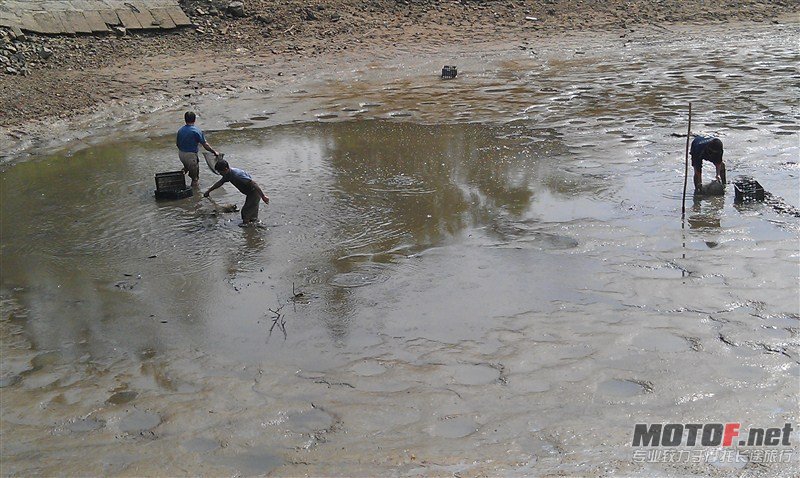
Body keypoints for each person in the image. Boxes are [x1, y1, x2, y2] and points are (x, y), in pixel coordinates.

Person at [204, 159, 269, 225]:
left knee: (245, 212)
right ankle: (253, 228)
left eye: (220, 172)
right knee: (252, 215)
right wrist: (209, 191)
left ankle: (247, 230)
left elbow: (253, 183)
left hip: (254, 192)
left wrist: (263, 196)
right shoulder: (227, 174)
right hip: (250, 193)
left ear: (226, 169)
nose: (220, 173)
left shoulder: (237, 175)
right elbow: (220, 183)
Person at [176, 111, 218, 188]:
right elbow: (205, 145)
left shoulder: (180, 130)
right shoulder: (196, 131)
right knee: (195, 179)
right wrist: (214, 151)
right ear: (194, 120)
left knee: (186, 168)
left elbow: (177, 144)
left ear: (185, 119)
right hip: (190, 156)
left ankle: (176, 181)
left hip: (181, 154)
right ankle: (195, 195)